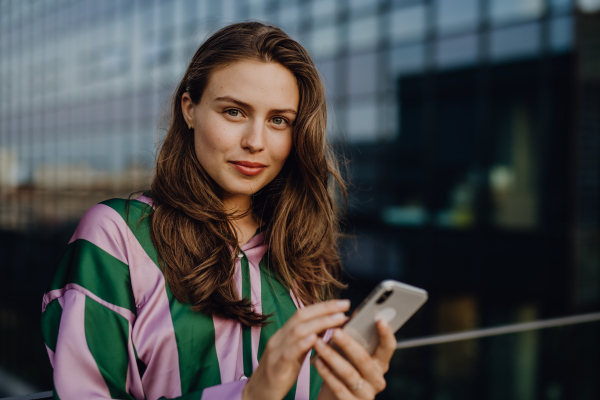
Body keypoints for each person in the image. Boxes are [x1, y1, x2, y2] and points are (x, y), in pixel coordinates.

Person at [41, 22, 396, 400]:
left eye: (279, 120)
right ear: (189, 108)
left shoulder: (301, 252)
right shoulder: (117, 236)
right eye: (234, 112)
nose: (256, 142)